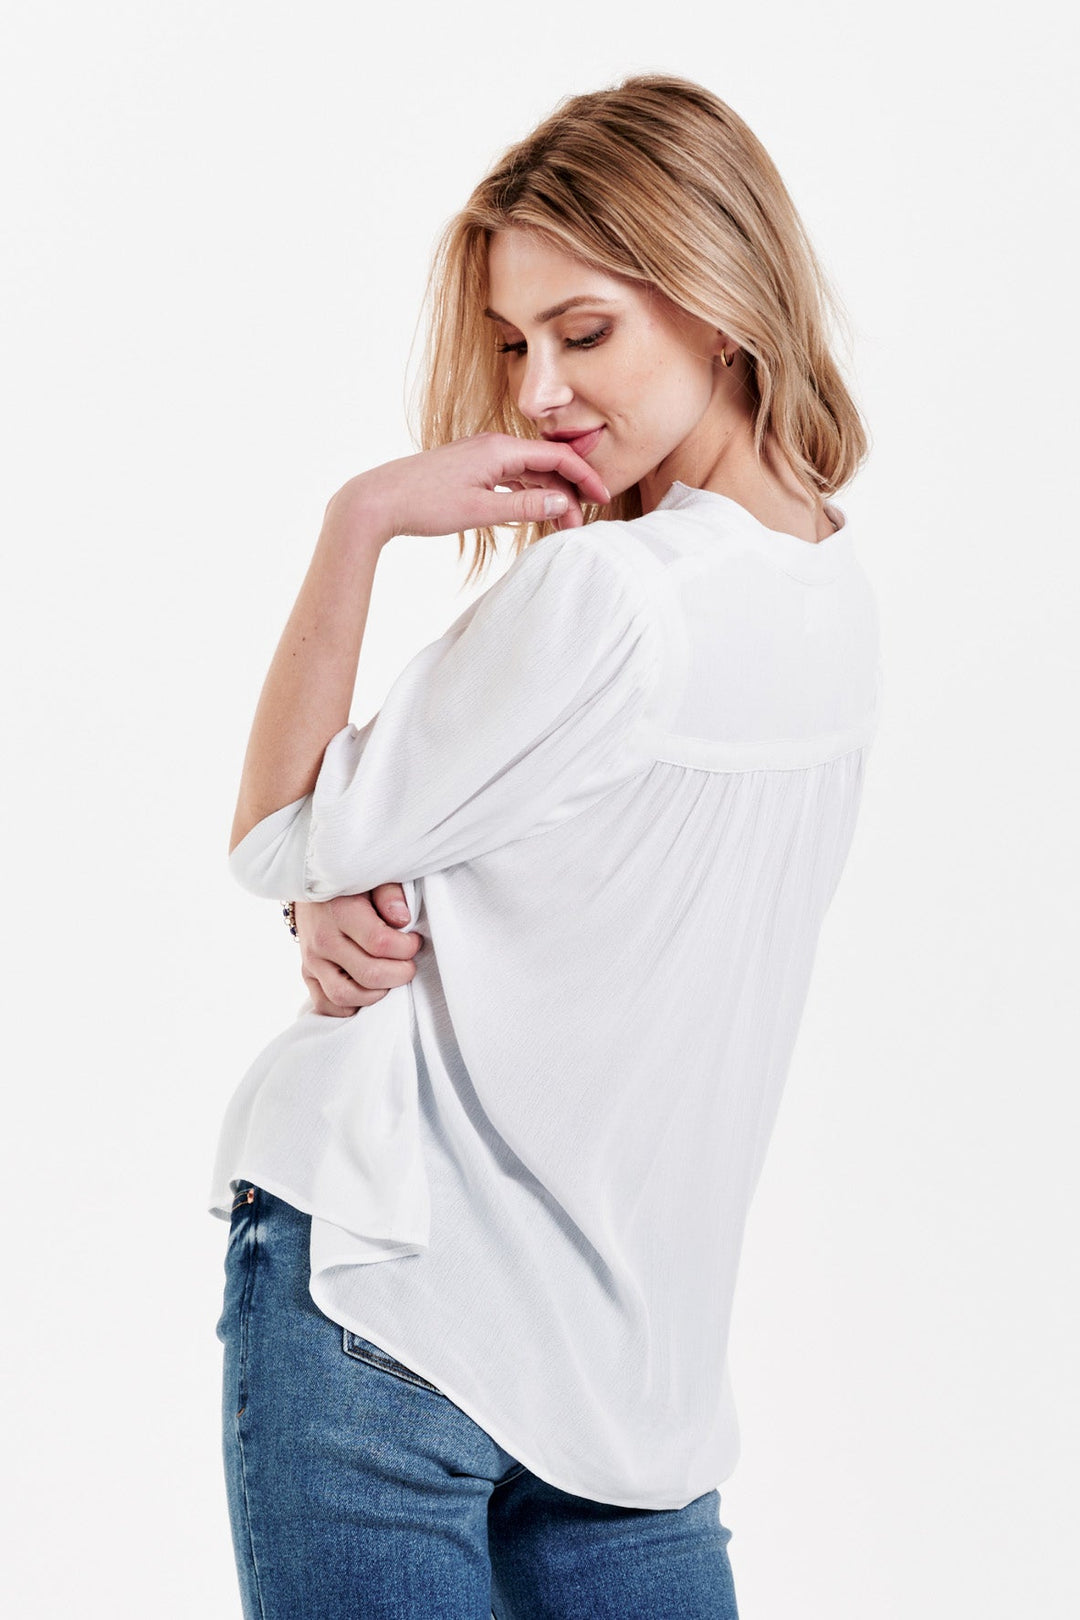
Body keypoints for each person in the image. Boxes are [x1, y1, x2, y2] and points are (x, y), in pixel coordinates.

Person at [210, 71, 882, 1619]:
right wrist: (329, 884)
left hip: (472, 1321)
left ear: (721, 303)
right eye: (517, 344)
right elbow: (362, 861)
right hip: (468, 1321)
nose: (535, 392)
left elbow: (275, 837)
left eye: (585, 332)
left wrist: (361, 521)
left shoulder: (611, 596)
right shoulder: (837, 599)